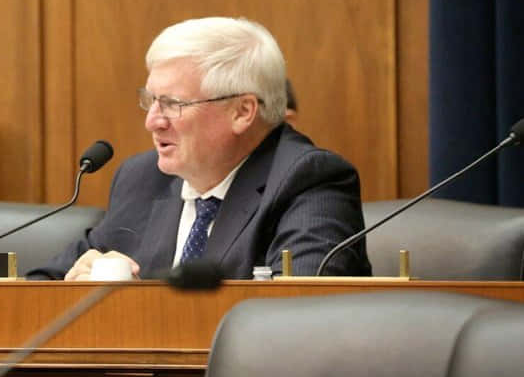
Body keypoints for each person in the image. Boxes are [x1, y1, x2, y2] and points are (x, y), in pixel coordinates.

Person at [28, 17, 370, 280]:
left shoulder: (307, 181)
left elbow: (295, 316)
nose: (153, 122)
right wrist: (75, 286)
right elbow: (38, 285)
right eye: (150, 101)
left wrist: (135, 310)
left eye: (173, 104)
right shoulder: (142, 178)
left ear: (242, 112)